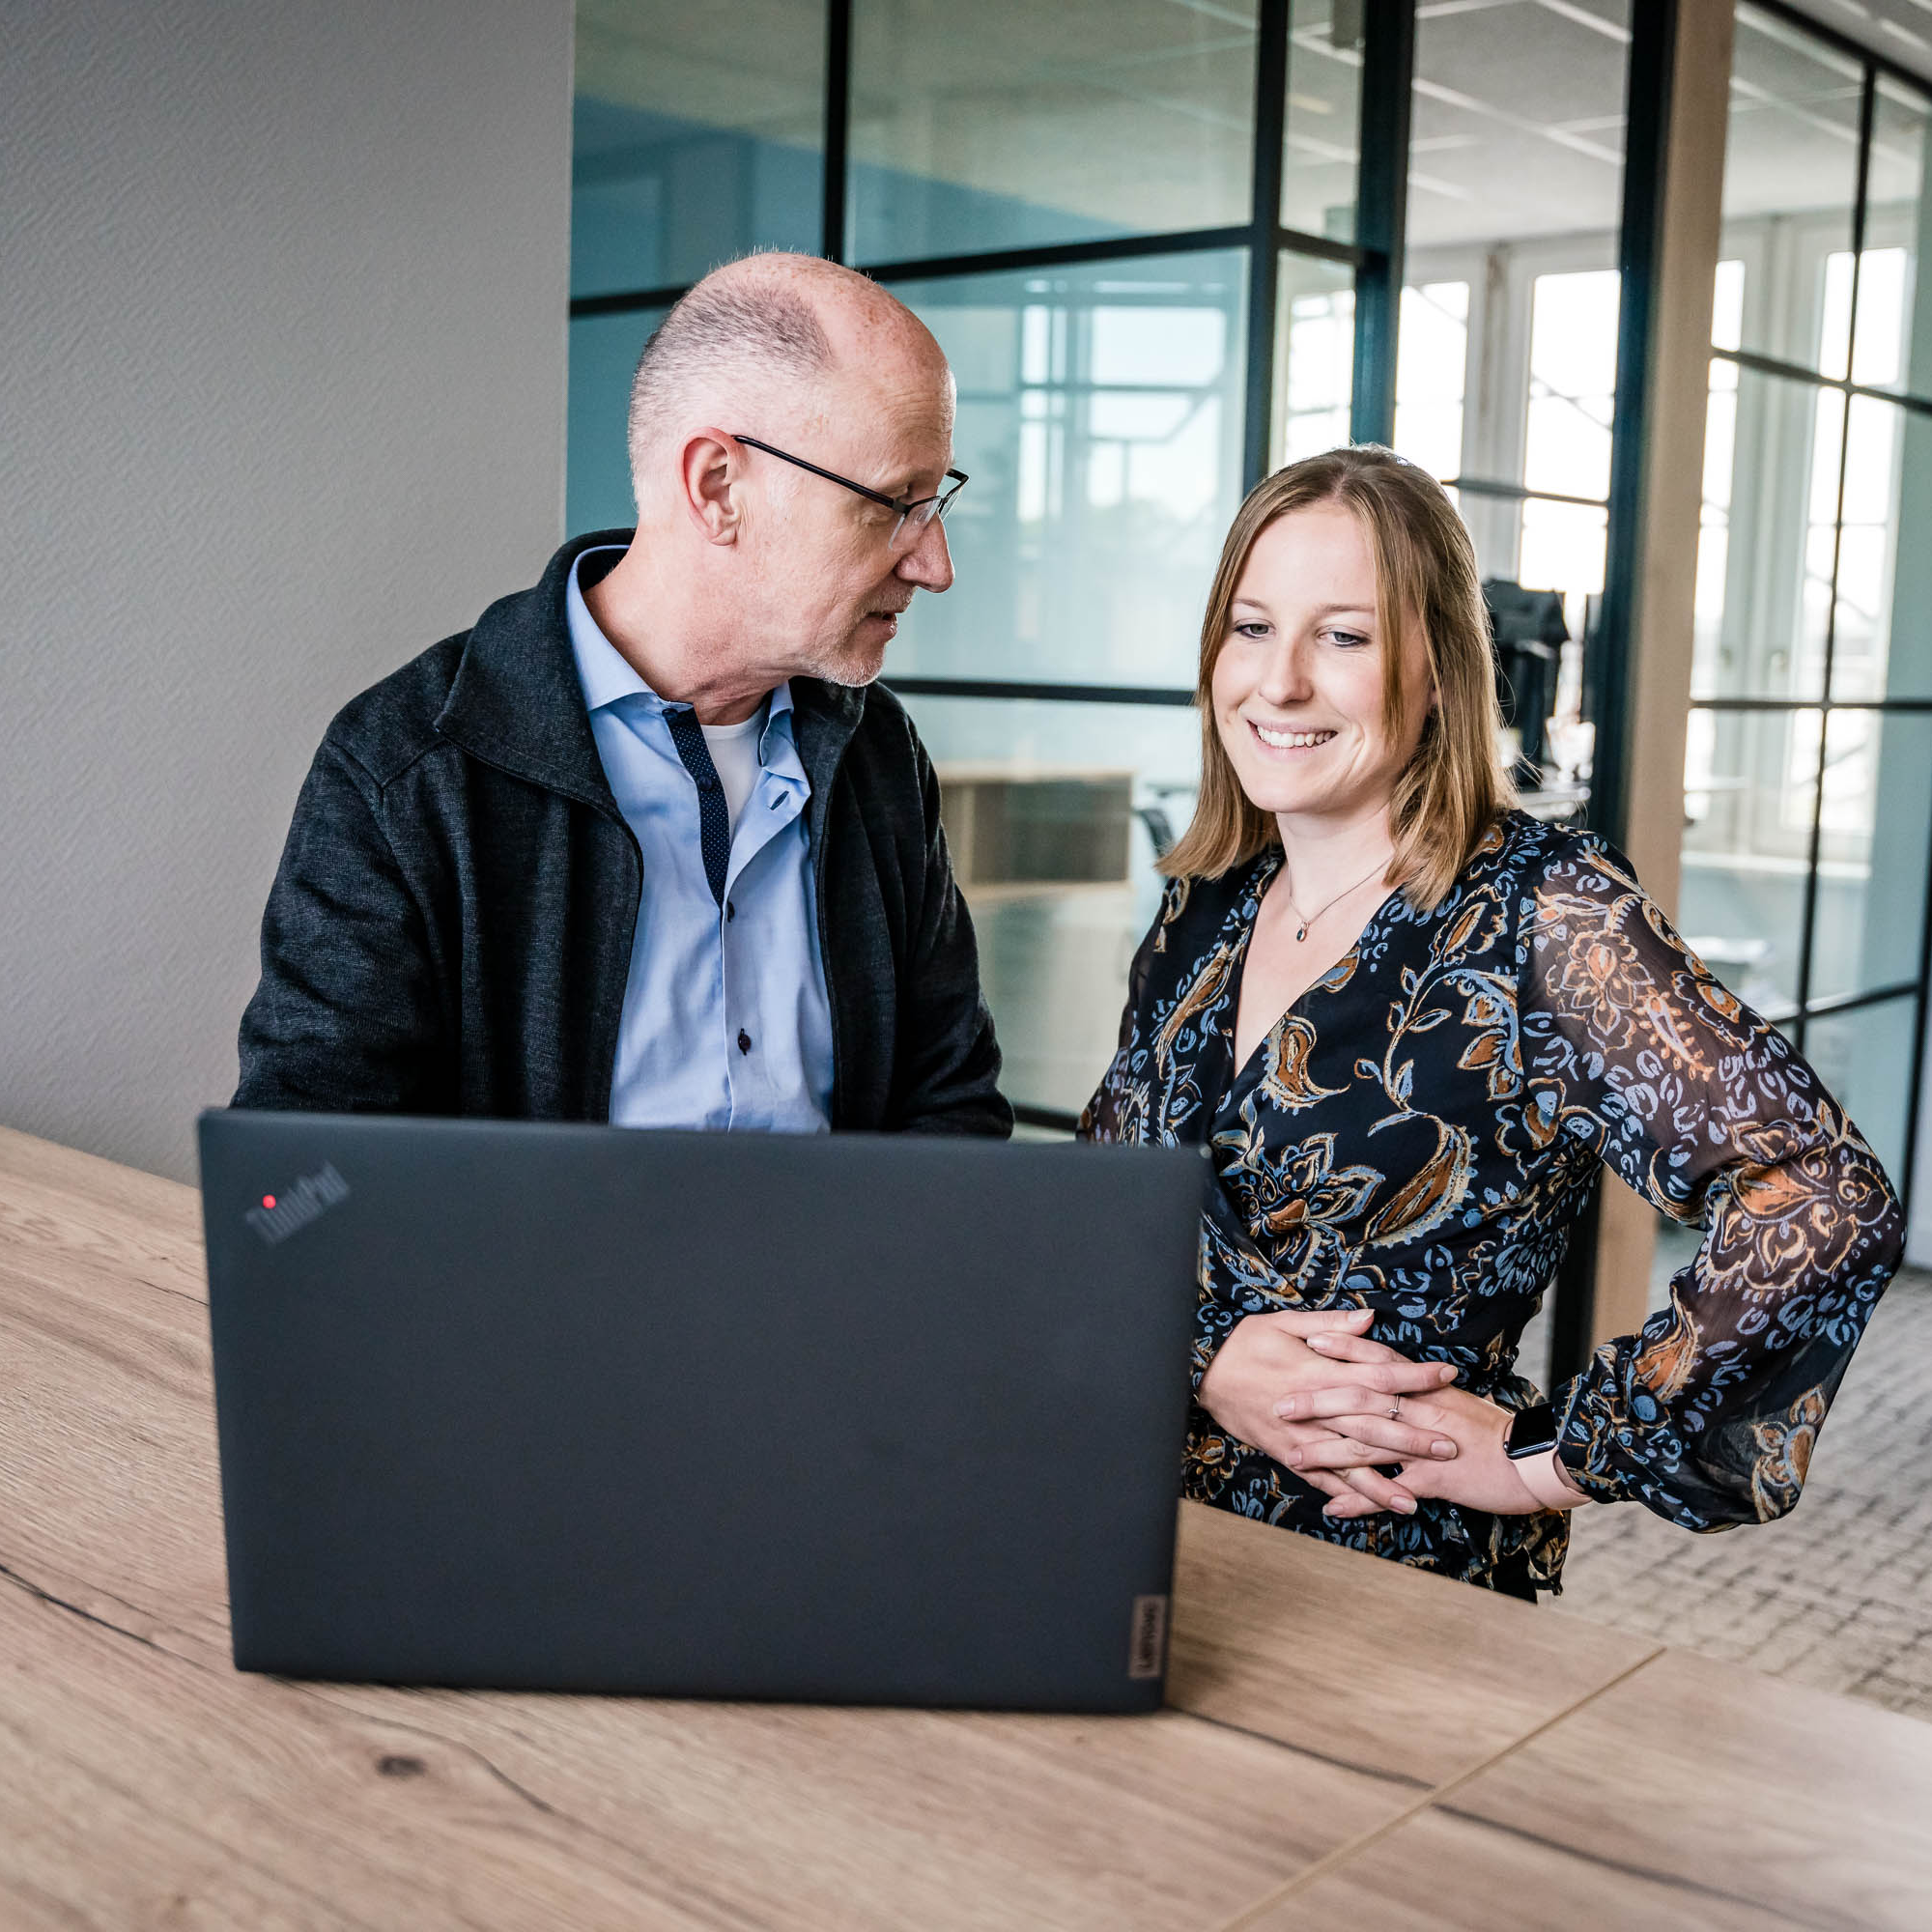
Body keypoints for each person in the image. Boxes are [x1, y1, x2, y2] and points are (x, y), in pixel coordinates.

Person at [1082, 445, 1903, 1598]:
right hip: (1132, 1516)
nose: (1277, 683)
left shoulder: (1542, 913)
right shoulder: (1205, 900)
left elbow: (1820, 1196)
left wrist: (1550, 1457)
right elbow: (1109, 1203)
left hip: (1387, 1557)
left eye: (1345, 636)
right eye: (1252, 627)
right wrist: (1210, 1356)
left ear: (1435, 670)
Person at [236, 252, 1009, 1141]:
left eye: (936, 498)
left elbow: (953, 1108)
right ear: (718, 488)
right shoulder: (407, 772)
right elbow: (311, 1167)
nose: (936, 565)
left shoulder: (877, 753)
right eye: (893, 504)